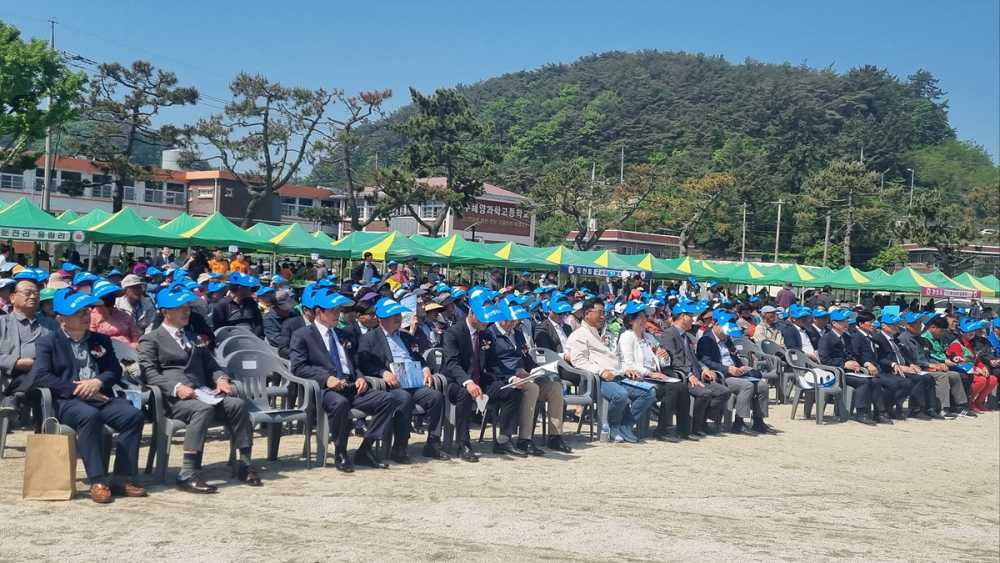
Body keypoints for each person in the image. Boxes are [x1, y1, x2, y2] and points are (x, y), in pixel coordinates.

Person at [138, 284, 261, 492]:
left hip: (202, 393)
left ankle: (245, 463)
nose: (186, 311)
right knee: (201, 409)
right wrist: (176, 387)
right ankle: (188, 473)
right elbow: (149, 373)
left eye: (187, 306)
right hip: (174, 399)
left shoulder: (194, 338)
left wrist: (221, 379)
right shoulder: (151, 339)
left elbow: (213, 366)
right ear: (165, 312)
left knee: (238, 404)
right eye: (180, 307)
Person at [30, 288, 146, 503]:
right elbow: (41, 377)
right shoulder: (48, 342)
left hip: (100, 395)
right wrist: (76, 389)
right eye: (80, 313)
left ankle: (122, 476)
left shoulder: (100, 340)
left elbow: (114, 370)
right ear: (62, 318)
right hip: (67, 401)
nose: (87, 316)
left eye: (88, 311)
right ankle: (98, 480)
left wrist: (97, 382)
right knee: (88, 416)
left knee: (133, 416)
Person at [289, 288, 405, 471]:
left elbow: (352, 363)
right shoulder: (303, 335)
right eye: (333, 310)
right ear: (319, 312)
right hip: (325, 389)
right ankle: (340, 451)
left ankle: (365, 448)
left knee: (389, 399)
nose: (338, 314)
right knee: (340, 403)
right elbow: (298, 366)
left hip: (351, 386)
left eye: (339, 310)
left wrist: (359, 377)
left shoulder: (342, 334)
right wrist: (326, 379)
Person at [356, 297, 449, 461]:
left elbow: (418, 357)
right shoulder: (369, 338)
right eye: (393, 315)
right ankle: (399, 447)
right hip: (391, 385)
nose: (398, 318)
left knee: (436, 397)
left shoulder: (406, 337)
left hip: (413, 382)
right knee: (403, 398)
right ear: (381, 319)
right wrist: (382, 373)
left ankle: (433, 444)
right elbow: (364, 362)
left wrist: (426, 369)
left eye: (399, 314)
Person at [441, 295, 525, 462]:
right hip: (456, 382)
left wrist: (510, 378)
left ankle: (503, 440)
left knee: (512, 391)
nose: (486, 323)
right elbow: (452, 364)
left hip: (481, 380)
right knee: (465, 394)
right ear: (472, 313)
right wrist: (468, 382)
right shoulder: (453, 333)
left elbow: (493, 363)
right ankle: (463, 443)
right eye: (483, 319)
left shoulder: (485, 334)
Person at [567, 298, 655, 443]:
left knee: (648, 392)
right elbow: (579, 361)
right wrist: (601, 371)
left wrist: (626, 370)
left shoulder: (606, 333)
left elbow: (617, 357)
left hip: (617, 375)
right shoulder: (579, 335)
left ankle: (626, 425)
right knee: (621, 395)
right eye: (600, 312)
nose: (603, 316)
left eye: (604, 312)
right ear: (587, 313)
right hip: (598, 379)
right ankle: (613, 426)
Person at [491, 299, 571, 454]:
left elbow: (526, 358)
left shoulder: (518, 333)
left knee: (555, 387)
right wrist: (513, 374)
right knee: (532, 388)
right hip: (507, 380)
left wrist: (536, 370)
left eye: (516, 320)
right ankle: (525, 439)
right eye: (510, 320)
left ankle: (555, 436)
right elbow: (491, 365)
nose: (513, 323)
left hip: (525, 376)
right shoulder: (491, 334)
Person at [617, 301, 695, 442]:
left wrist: (663, 356)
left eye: (645, 317)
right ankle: (662, 430)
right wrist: (650, 373)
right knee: (672, 388)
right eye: (640, 317)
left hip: (653, 375)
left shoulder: (649, 337)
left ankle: (684, 430)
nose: (644, 320)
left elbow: (661, 362)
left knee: (681, 387)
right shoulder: (627, 337)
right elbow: (629, 364)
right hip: (637, 376)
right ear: (631, 320)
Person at [660, 302, 731, 436]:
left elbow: (695, 358)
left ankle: (701, 420)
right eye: (690, 316)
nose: (693, 319)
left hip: (697, 375)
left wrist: (704, 368)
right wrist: (688, 375)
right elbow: (674, 360)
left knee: (724, 392)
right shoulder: (669, 334)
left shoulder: (686, 336)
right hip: (682, 377)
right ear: (682, 317)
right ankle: (695, 426)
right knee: (705, 393)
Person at [697, 310, 772, 434]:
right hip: (721, 375)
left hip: (735, 373)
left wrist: (742, 367)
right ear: (715, 324)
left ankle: (758, 421)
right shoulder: (706, 340)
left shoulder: (726, 339)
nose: (726, 334)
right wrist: (728, 369)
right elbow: (705, 360)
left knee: (762, 385)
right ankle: (739, 422)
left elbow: (733, 357)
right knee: (747, 386)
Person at [0, 270, 59, 412]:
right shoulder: (2, 323)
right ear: (13, 298)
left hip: (40, 375)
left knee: (42, 369)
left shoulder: (51, 325)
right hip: (6, 377)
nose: (33, 296)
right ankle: (14, 396)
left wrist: (38, 364)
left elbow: (59, 353)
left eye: (37, 294)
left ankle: (16, 397)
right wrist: (16, 362)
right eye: (27, 293)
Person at [896, 311, 965, 419]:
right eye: (917, 324)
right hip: (916, 368)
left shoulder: (921, 339)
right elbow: (910, 358)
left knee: (954, 375)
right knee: (942, 376)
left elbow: (928, 356)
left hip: (927, 366)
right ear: (908, 325)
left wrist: (937, 364)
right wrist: (929, 366)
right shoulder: (904, 338)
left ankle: (960, 406)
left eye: (920, 323)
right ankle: (942, 408)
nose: (920, 326)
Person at [871, 312, 939, 420]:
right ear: (884, 326)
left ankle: (929, 408)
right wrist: (894, 365)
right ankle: (911, 409)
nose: (896, 327)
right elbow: (880, 358)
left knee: (928, 377)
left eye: (897, 324)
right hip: (889, 369)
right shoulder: (877, 338)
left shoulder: (896, 339)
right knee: (915, 380)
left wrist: (911, 364)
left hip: (903, 367)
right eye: (893, 324)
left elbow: (905, 355)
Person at [817, 309, 878, 424]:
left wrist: (854, 363)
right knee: (863, 382)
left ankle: (878, 412)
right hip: (834, 373)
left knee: (874, 380)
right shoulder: (827, 338)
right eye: (843, 321)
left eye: (846, 321)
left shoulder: (846, 337)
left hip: (847, 371)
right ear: (834, 324)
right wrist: (843, 364)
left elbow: (851, 354)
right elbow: (825, 360)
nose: (846, 324)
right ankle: (861, 413)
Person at [851, 311, 901, 423]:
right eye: (871, 322)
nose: (874, 324)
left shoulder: (870, 336)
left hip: (877, 369)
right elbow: (855, 355)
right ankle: (879, 412)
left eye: (874, 322)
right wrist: (866, 363)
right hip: (865, 370)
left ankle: (885, 409)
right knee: (888, 383)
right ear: (861, 324)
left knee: (900, 382)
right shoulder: (856, 337)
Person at [946, 319, 998, 414]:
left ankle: (978, 402)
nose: (972, 333)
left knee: (993, 379)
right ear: (962, 332)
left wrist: (983, 367)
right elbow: (959, 363)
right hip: (964, 371)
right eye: (968, 332)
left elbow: (976, 360)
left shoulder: (971, 343)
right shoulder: (956, 344)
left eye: (973, 331)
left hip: (973, 370)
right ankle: (969, 402)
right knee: (981, 380)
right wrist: (975, 369)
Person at [89, 280, 141, 347]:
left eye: (112, 295)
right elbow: (91, 339)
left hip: (129, 352)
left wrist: (133, 346)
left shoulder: (124, 315)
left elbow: (136, 335)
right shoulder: (91, 317)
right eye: (106, 296)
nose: (110, 298)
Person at [211, 272, 264, 338]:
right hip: (232, 342)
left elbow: (259, 323)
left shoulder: (251, 303)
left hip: (252, 341)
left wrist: (253, 338)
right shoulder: (222, 305)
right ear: (239, 288)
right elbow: (219, 329)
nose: (251, 290)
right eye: (248, 287)